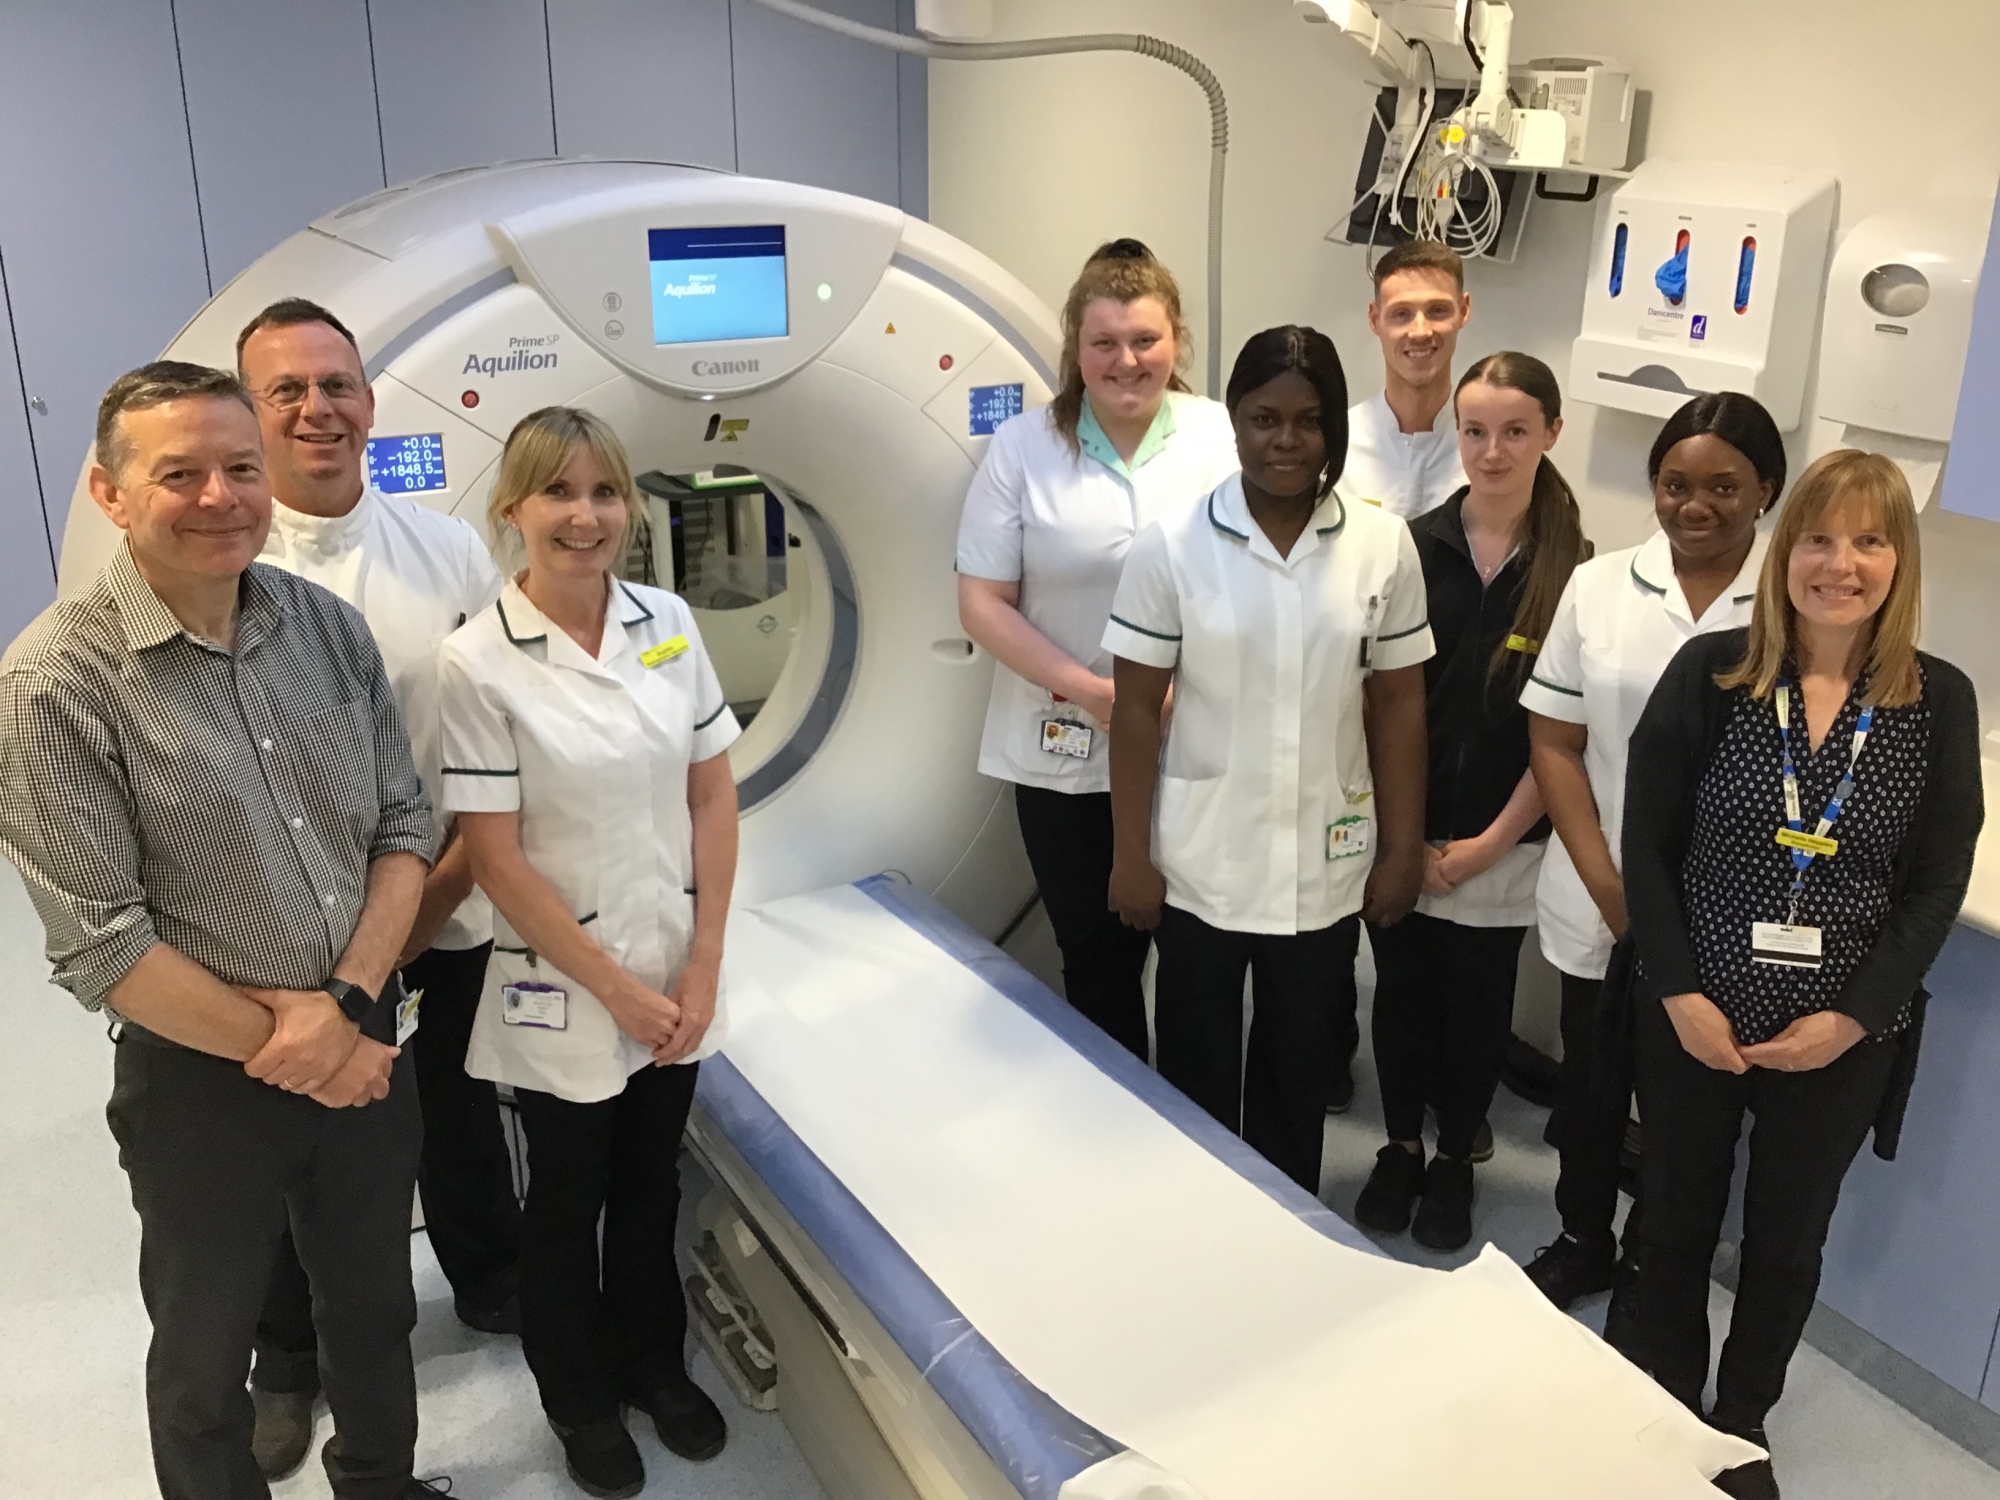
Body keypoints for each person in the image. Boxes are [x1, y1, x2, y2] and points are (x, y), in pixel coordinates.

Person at [0, 361, 446, 1500]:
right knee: (204, 1350)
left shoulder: (326, 629)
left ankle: (381, 1485)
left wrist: (346, 1011)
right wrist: (299, 1043)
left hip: (363, 1036)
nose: (219, 496)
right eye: (179, 474)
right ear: (108, 492)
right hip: (199, 1075)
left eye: (239, 468)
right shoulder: (53, 685)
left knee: (374, 1302)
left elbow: (402, 824)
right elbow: (103, 944)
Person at [1621, 451, 1981, 1499]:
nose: (1839, 564)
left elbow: (1933, 883)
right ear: (1785, 554)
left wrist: (1854, 1019)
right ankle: (1658, 1404)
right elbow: (1645, 847)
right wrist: (1679, 991)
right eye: (1818, 539)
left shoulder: (1935, 703)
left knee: (1783, 1246)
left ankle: (1737, 1426)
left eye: (1868, 540)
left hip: (1835, 1036)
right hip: (1695, 1013)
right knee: (1671, 1222)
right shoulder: (1713, 675)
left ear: (1897, 561)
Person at [237, 299, 518, 1477]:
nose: (317, 409)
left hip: (440, 892)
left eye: (335, 385)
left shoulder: (445, 550)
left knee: (454, 1101)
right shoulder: (223, 561)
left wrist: (434, 900)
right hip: (284, 920)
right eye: (286, 391)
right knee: (284, 1142)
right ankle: (286, 1359)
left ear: (369, 399)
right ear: (251, 411)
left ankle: (488, 1277)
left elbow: (489, 741)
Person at [437, 406, 739, 1499]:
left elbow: (711, 790)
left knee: (652, 1183)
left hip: (671, 969)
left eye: (604, 491)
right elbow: (495, 858)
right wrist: (613, 986)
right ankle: (576, 1398)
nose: (584, 515)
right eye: (557, 493)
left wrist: (700, 964)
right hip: (563, 985)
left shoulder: (666, 621)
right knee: (564, 1204)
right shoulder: (477, 660)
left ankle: (652, 1363)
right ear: (512, 510)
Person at [1103, 325, 1431, 1193]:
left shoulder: (1381, 544)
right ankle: (1202, 1225)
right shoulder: (1172, 546)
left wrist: (1401, 849)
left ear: (1332, 431)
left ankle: (1288, 1230)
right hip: (1201, 861)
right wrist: (1129, 855)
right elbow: (1135, 711)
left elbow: (1399, 704)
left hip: (1325, 860)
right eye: (1264, 420)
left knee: (1298, 1074)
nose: (1286, 442)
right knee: (1197, 1070)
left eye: (1308, 421)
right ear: (1235, 425)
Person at [1517, 393, 1786, 1332]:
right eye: (1675, 484)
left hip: (1726, 917)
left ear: (1766, 492)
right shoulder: (1598, 586)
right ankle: (1582, 1236)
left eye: (1723, 486)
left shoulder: (1794, 603)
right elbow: (1554, 740)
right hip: (1602, 895)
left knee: (1686, 1118)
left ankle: (1651, 1265)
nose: (1694, 505)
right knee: (1591, 1095)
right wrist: (1614, 890)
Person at [957, 238, 1240, 1060]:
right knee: (1098, 957)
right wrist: (1088, 690)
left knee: (1198, 958)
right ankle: (1116, 1123)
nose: (1126, 361)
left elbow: (1255, 582)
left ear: (1177, 339)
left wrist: (1178, 693)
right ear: (1075, 349)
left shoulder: (1219, 435)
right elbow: (982, 601)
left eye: (1145, 340)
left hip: (1197, 739)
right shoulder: (1022, 447)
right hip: (1063, 742)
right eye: (1104, 343)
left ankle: (1196, 1132)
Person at [1353, 352, 1588, 1251]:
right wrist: (1403, 839)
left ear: (1551, 436)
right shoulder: (1407, 547)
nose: (1493, 451)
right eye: (1476, 431)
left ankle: (1455, 1157)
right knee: (1403, 992)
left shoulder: (1575, 572)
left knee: (1479, 1009)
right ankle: (1401, 1145)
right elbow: (1377, 698)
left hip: (1508, 834)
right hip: (1401, 829)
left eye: (1516, 432)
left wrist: (1489, 844)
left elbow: (1563, 735)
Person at [1340, 239, 1471, 523]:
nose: (1421, 331)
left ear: (1464, 310)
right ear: (1375, 319)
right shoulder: (1338, 445)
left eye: (1438, 310)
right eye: (1402, 314)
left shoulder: (1488, 452)